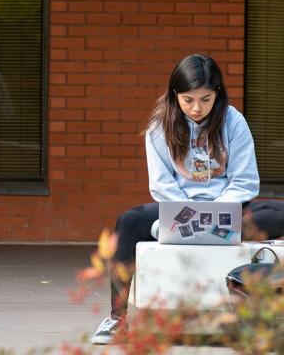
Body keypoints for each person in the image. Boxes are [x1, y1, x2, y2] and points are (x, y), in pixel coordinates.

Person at [91, 54, 284, 345]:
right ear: (175, 95)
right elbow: (161, 184)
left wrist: (215, 214)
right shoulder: (160, 125)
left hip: (229, 209)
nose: (197, 108)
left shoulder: (233, 121)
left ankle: (168, 232)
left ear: (217, 94)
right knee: (128, 221)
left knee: (277, 214)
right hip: (176, 209)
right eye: (188, 99)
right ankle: (118, 319)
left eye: (205, 99)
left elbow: (244, 181)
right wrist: (188, 216)